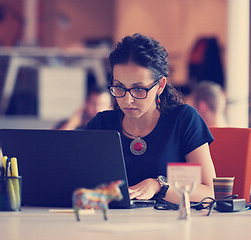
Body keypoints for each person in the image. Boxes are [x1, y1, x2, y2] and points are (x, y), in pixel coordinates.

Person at [84, 33, 216, 204]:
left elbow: (209, 192)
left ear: (160, 85)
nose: (127, 99)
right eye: (119, 87)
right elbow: (75, 181)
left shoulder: (183, 120)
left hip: (170, 226)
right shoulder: (102, 124)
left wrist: (159, 186)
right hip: (112, 223)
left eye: (139, 89)